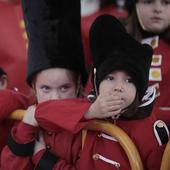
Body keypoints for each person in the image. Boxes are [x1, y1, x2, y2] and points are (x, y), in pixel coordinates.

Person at [29, 15, 168, 169]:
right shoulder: (88, 109)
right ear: (97, 83)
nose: (118, 87)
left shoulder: (148, 128)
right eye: (110, 78)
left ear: (139, 90)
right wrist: (90, 111)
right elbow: (41, 114)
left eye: (129, 81)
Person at [0, 0, 87, 169]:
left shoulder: (90, 128)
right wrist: (24, 132)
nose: (55, 98)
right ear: (33, 88)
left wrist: (44, 159)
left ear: (77, 85)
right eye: (45, 89)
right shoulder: (25, 120)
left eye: (64, 88)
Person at [125, 0, 170, 126]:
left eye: (166, 3)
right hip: (125, 133)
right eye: (148, 1)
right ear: (134, 5)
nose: (157, 9)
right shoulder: (117, 47)